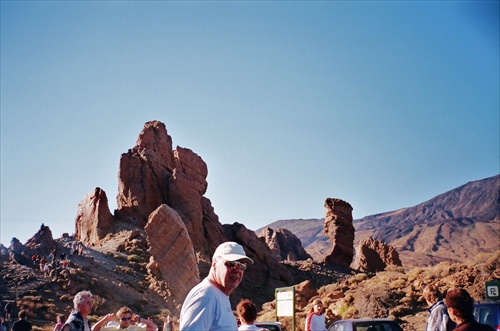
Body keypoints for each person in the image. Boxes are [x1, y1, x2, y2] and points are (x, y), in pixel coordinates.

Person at [179, 241, 254, 331]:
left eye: (242, 265)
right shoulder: (206, 295)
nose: (237, 270)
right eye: (231, 264)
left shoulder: (218, 295)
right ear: (214, 264)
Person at [92, 306, 157, 331]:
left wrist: (140, 320)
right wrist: (105, 319)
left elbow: (154, 328)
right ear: (118, 319)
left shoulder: (135, 328)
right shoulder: (112, 329)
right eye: (123, 319)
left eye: (128, 318)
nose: (126, 321)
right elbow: (93, 330)